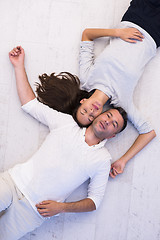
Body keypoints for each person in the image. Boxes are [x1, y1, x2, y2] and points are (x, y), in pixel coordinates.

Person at [0, 46, 127, 240]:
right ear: (99, 114)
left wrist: (62, 207)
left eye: (114, 124)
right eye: (108, 115)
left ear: (112, 136)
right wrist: (19, 66)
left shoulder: (102, 159)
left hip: (35, 211)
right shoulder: (66, 123)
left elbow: (94, 201)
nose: (108, 121)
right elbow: (30, 104)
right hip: (13, 182)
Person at [76, 0, 158, 178]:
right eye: (91, 117)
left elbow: (87, 35)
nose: (91, 111)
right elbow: (148, 132)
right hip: (155, 33)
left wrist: (118, 33)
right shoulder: (121, 103)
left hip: (135, 16)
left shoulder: (87, 79)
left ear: (83, 101)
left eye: (85, 110)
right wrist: (123, 160)